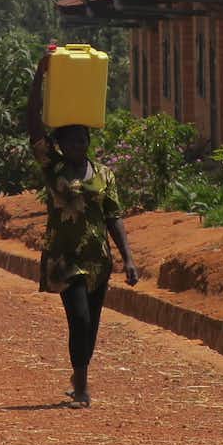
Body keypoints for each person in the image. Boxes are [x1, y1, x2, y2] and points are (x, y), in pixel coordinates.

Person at [26, 45, 138, 407]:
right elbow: (32, 122)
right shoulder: (53, 168)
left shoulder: (104, 175)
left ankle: (79, 375)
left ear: (89, 142)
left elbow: (114, 217)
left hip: (97, 260)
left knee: (91, 325)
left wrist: (128, 258)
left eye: (83, 139)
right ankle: (83, 387)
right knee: (78, 317)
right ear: (60, 144)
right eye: (71, 140)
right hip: (64, 258)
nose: (78, 145)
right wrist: (41, 75)